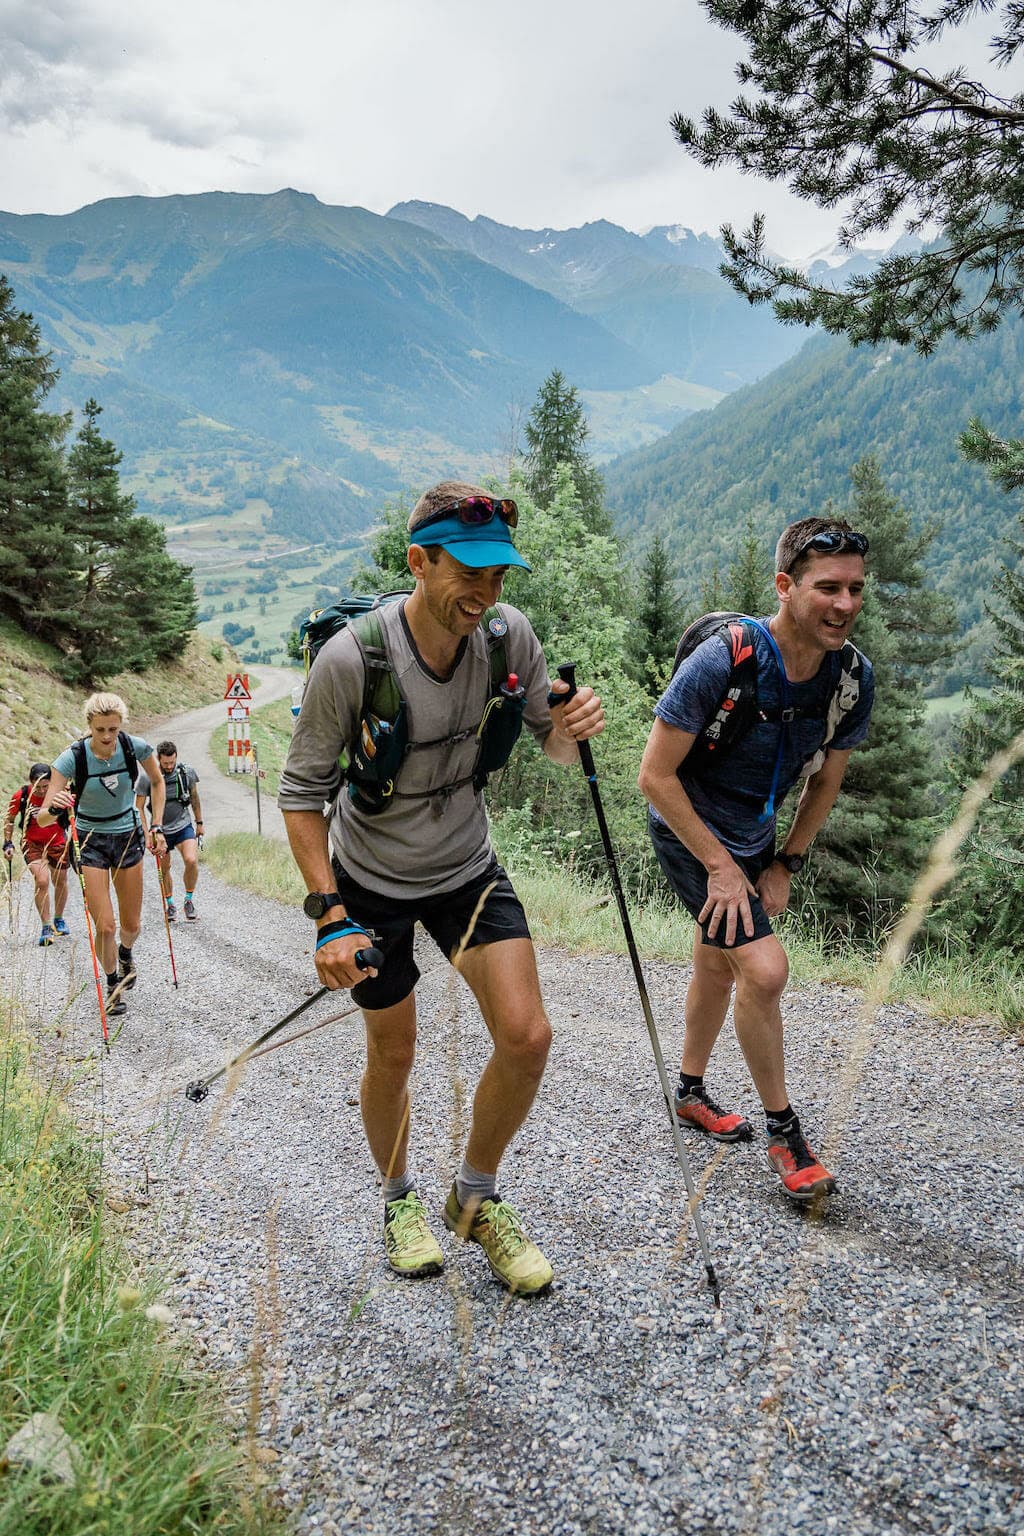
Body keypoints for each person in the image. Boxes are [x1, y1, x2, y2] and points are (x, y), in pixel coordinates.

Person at [279, 481, 604, 1294]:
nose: (485, 593)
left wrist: (571, 731)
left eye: (498, 575)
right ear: (418, 562)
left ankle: (474, 1197)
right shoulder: (351, 659)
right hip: (371, 882)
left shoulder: (507, 636)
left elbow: (553, 745)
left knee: (527, 1037)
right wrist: (329, 916)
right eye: (468, 572)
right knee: (395, 1051)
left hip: (466, 869)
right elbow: (301, 795)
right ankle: (398, 1201)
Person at [637, 517, 875, 1204]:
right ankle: (785, 1133)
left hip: (756, 835)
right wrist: (719, 866)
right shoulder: (726, 661)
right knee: (765, 971)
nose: (845, 604)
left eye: (856, 588)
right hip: (689, 829)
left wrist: (784, 864)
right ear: (785, 586)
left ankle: (688, 1092)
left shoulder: (849, 678)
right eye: (827, 587)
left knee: (719, 963)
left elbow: (825, 782)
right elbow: (654, 776)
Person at [37, 694, 166, 1018]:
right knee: (105, 925)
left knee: (131, 925)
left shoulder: (134, 747)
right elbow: (42, 817)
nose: (107, 737)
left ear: (121, 725)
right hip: (89, 841)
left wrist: (157, 825)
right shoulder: (72, 758)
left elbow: (157, 782)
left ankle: (125, 953)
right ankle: (112, 984)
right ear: (89, 726)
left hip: (127, 836)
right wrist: (57, 806)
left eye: (113, 729)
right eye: (100, 730)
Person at [3, 763, 72, 946]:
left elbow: (75, 813)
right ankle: (46, 926)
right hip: (32, 843)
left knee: (60, 881)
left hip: (57, 842)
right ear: (31, 782)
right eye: (37, 786)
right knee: (42, 881)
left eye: (45, 786)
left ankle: (58, 919)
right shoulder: (21, 795)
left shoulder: (60, 793)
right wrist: (8, 842)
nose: (41, 791)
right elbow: (9, 819)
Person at [135, 741, 203, 921]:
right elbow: (138, 807)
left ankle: (188, 900)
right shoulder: (147, 777)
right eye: (165, 763)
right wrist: (146, 833)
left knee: (191, 860)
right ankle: (170, 904)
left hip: (183, 825)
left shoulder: (186, 773)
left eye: (172, 762)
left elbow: (194, 797)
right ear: (158, 759)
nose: (169, 766)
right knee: (165, 868)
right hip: (160, 831)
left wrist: (199, 823)